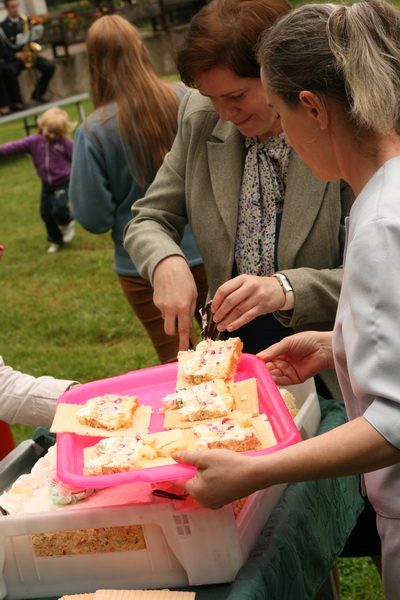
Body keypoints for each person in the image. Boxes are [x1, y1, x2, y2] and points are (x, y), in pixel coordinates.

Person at [171, 0, 400, 596]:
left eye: (276, 112)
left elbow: (393, 424)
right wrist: (337, 345)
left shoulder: (379, 224)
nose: (282, 139)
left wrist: (254, 470)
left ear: (313, 108)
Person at [123, 0, 354, 400]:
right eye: (209, 97)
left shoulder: (342, 131)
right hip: (234, 360)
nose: (223, 113)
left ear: (277, 72)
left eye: (236, 96)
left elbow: (377, 277)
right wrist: (165, 261)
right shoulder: (201, 114)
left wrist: (285, 287)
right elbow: (150, 217)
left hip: (328, 362)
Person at [69, 15, 208, 365]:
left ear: (94, 64)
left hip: (141, 264)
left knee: (177, 362)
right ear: (141, 49)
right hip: (210, 247)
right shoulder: (186, 97)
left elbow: (93, 216)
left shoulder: (94, 130)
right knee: (238, 350)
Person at [0, 107, 76, 253]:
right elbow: (12, 147)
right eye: (49, 131)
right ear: (41, 126)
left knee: (58, 208)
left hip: (63, 182)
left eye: (56, 133)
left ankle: (67, 222)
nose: (52, 135)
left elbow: (78, 159)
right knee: (46, 214)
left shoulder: (65, 144)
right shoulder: (34, 142)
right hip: (46, 184)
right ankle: (55, 239)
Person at [0, 0, 55, 104]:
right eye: (12, 7)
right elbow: (2, 50)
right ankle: (18, 103)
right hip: (14, 59)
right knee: (10, 72)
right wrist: (15, 55)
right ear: (7, 8)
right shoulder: (3, 27)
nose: (15, 9)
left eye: (16, 6)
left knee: (49, 66)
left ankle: (38, 94)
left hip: (29, 55)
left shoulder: (25, 21)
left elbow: (35, 37)